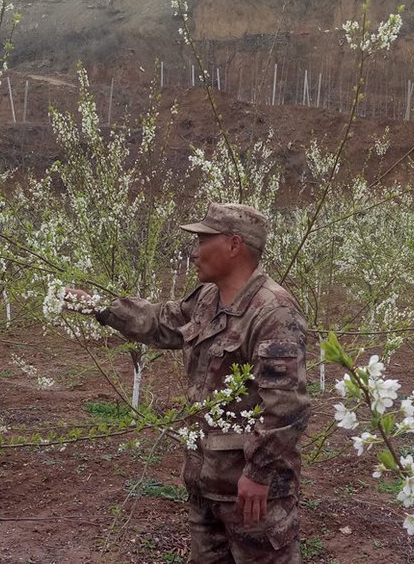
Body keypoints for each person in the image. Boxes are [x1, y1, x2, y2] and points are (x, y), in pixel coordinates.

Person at [65, 202, 310, 563]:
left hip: (252, 497)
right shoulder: (207, 300)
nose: (194, 252)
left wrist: (258, 473)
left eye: (202, 241)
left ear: (234, 245)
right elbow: (162, 322)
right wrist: (99, 307)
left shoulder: (274, 313)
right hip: (205, 484)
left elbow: (286, 407)